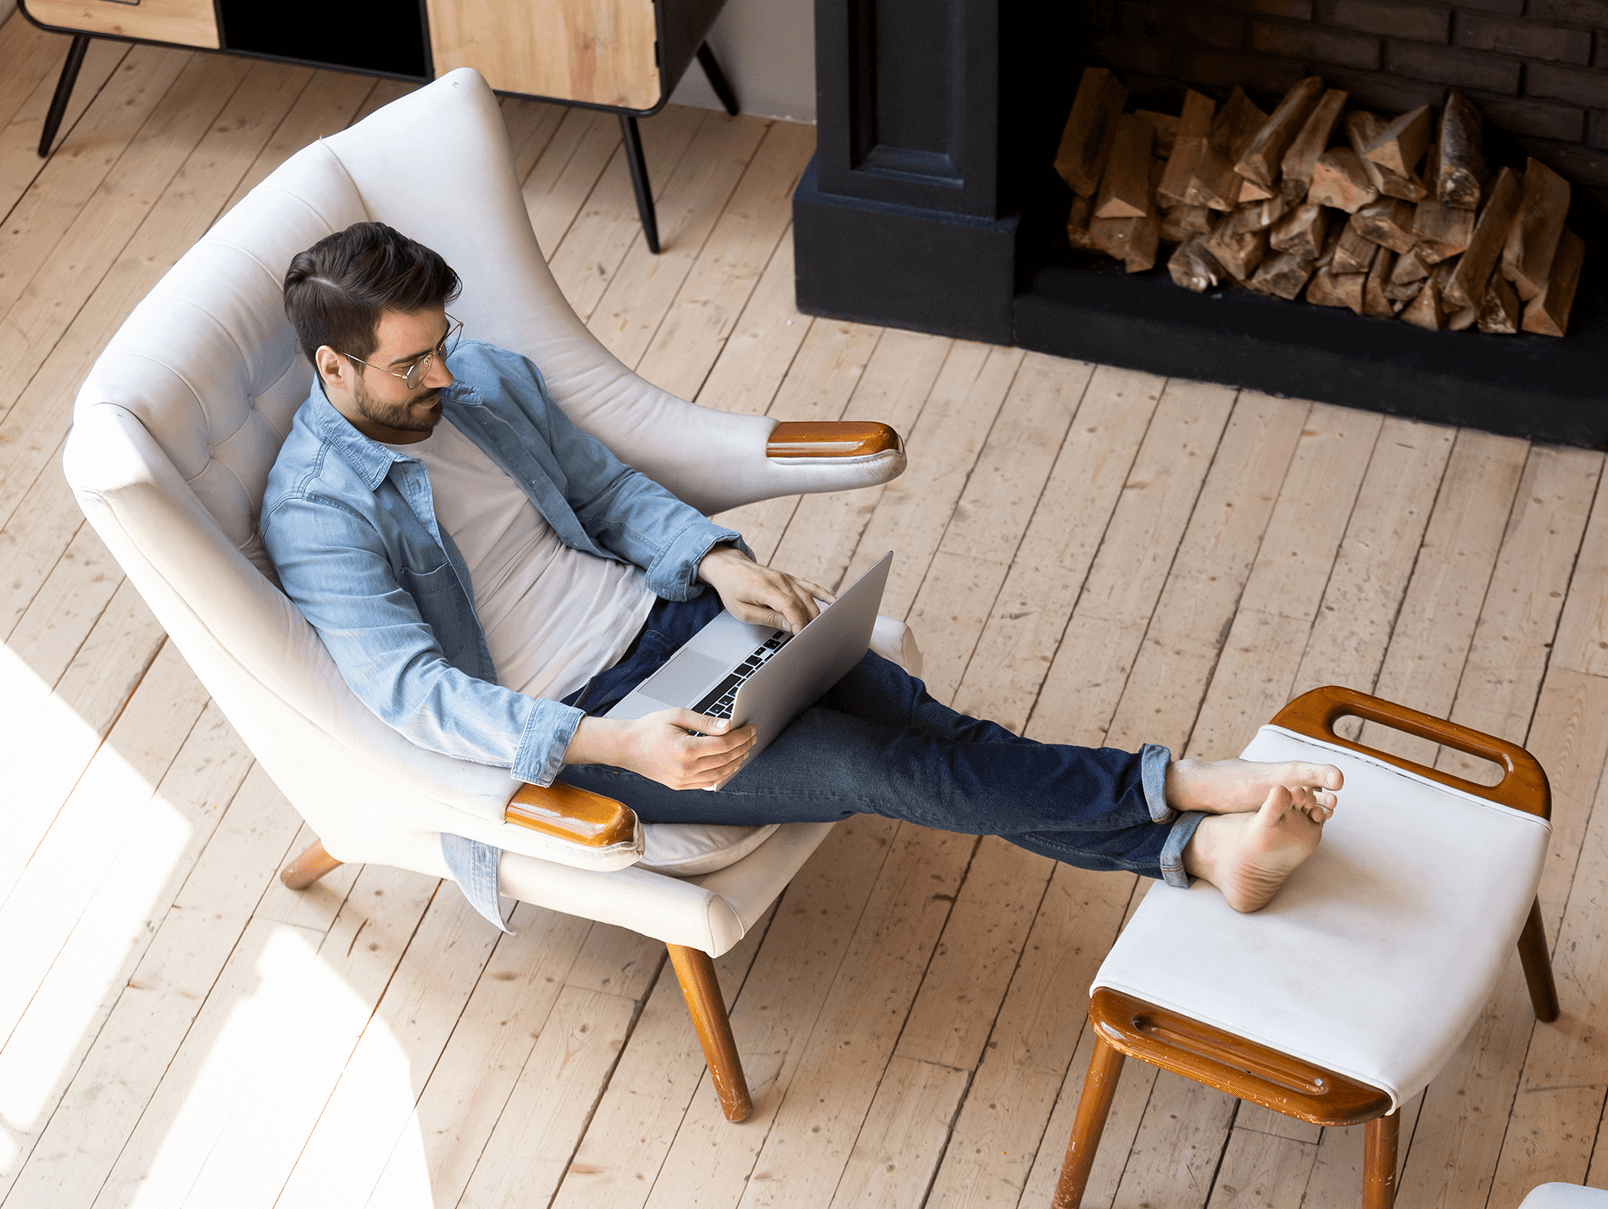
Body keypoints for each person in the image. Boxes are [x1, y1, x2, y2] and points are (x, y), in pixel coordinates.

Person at [261, 222, 1342, 931]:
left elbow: (605, 492)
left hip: (673, 623)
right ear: (333, 366)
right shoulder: (317, 511)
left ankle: (1193, 854)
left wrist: (719, 562)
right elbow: (414, 695)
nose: (444, 373)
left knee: (936, 733)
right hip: (589, 726)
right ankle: (1186, 787)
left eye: (442, 340)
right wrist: (615, 743)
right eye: (412, 363)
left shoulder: (481, 379)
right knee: (895, 772)